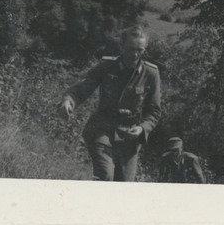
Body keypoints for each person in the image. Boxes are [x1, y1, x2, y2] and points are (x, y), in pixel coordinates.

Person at [59, 26, 161, 182]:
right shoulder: (106, 67)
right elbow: (82, 88)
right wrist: (68, 101)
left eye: (139, 50)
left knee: (124, 187)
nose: (135, 54)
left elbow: (153, 111)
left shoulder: (151, 74)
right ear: (121, 46)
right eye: (131, 49)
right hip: (102, 129)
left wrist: (141, 128)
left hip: (129, 138)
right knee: (105, 176)